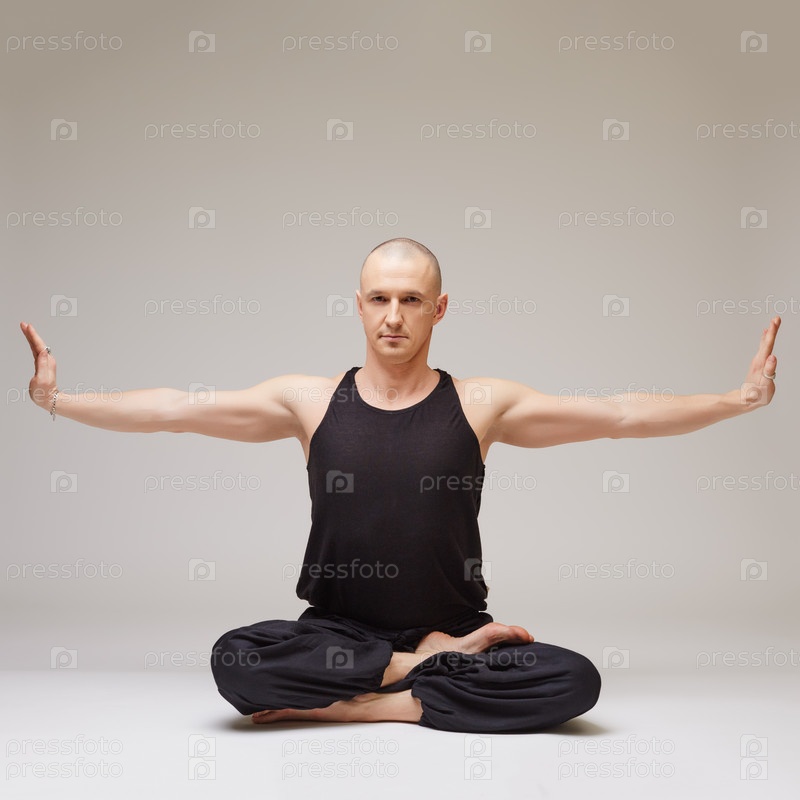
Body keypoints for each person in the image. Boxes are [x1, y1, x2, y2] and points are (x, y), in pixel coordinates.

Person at [20, 237, 781, 733]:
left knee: (574, 682)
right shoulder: (310, 401)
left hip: (454, 632)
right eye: (379, 298)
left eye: (411, 300)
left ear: (438, 309)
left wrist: (737, 400)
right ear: (358, 305)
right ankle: (412, 685)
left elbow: (618, 414)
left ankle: (355, 705)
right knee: (234, 658)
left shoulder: (480, 404)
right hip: (338, 635)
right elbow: (176, 410)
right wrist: (61, 400)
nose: (393, 316)